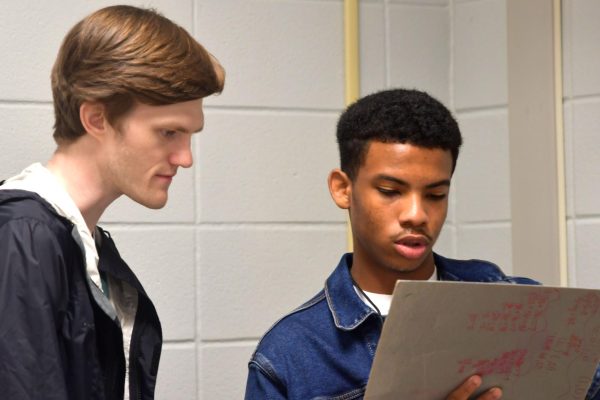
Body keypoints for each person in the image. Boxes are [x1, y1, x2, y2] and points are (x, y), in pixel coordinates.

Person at [244, 89, 600, 400]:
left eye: (435, 194)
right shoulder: (290, 353)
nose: (417, 214)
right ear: (343, 188)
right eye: (390, 192)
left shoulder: (521, 307)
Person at [0, 5, 224, 400]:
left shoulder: (80, 244)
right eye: (168, 132)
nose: (185, 158)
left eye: (190, 135)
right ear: (97, 119)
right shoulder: (25, 238)